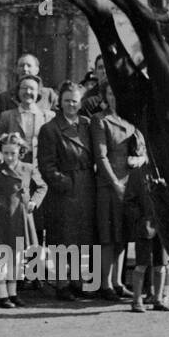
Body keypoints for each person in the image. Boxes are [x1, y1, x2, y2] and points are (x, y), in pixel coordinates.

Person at [37, 81, 96, 300]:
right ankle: (62, 284)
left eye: (75, 100)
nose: (71, 104)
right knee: (63, 238)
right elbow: (46, 166)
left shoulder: (88, 125)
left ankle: (81, 282)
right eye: (67, 100)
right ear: (59, 102)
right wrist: (65, 184)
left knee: (85, 236)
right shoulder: (50, 129)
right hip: (65, 190)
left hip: (87, 186)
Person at [0, 132, 46, 309]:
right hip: (3, 216)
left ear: (21, 152)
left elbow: (42, 186)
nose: (9, 157)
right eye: (5, 153)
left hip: (22, 215)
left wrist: (34, 201)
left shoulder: (28, 168)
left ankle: (13, 293)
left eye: (13, 153)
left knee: (18, 256)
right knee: (3, 256)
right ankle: (3, 295)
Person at [91, 87, 140, 300]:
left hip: (129, 184)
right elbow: (100, 157)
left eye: (117, 93)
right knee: (108, 236)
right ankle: (105, 284)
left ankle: (118, 282)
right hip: (109, 186)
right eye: (110, 94)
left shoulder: (130, 120)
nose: (114, 97)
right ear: (105, 97)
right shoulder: (100, 120)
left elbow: (140, 148)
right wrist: (114, 183)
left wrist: (139, 159)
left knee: (122, 236)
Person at [125, 133, 169, 313]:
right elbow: (129, 201)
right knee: (142, 263)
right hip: (145, 226)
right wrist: (141, 219)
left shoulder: (168, 173)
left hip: (163, 226)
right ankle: (137, 300)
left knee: (161, 264)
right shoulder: (137, 174)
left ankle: (158, 298)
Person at [0, 75, 52, 169]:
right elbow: (0, 144)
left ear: (38, 92)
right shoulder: (6, 116)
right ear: (18, 91)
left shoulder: (48, 116)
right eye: (24, 88)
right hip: (14, 167)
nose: (28, 92)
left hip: (40, 168)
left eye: (32, 89)